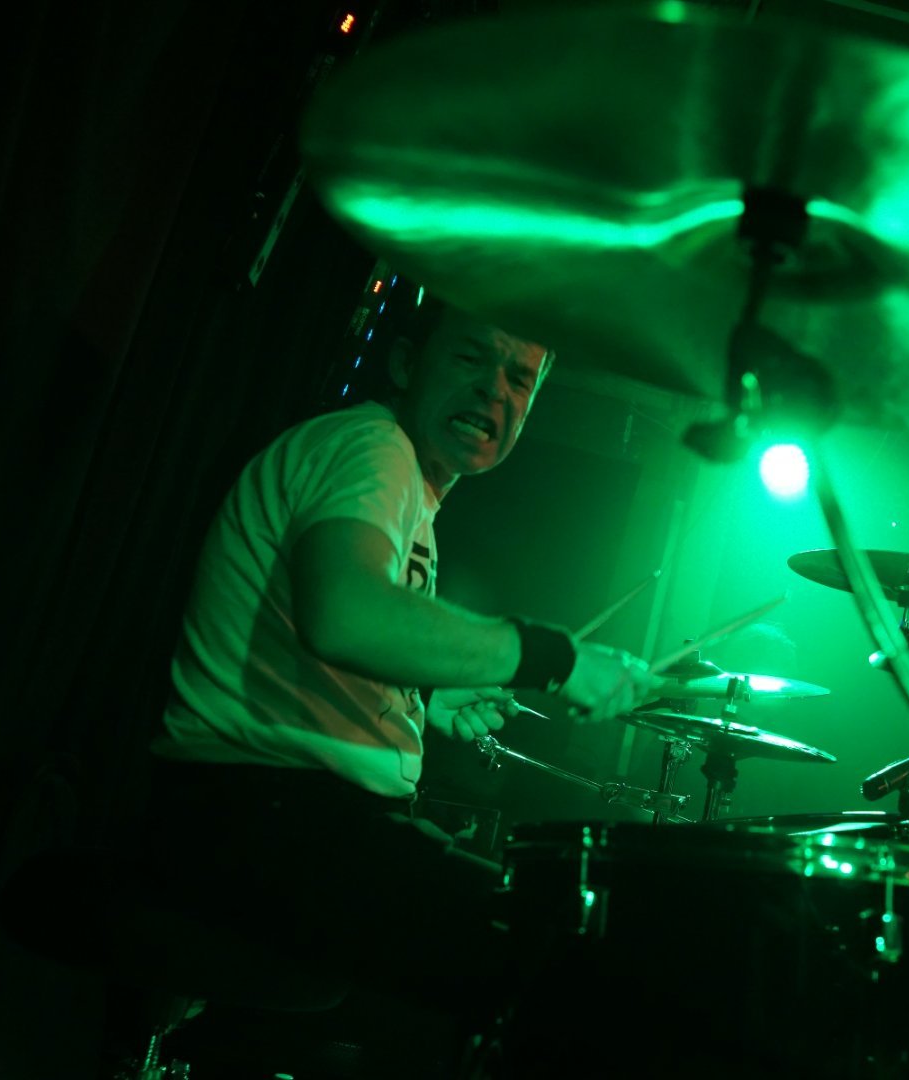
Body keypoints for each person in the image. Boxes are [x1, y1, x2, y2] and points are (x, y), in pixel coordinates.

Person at [143, 287, 663, 1018]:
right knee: (572, 968)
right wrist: (554, 658)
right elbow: (346, 614)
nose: (494, 390)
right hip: (266, 819)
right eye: (471, 357)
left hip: (279, 819)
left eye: (520, 378)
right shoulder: (372, 447)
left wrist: (423, 694)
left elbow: (325, 626)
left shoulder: (408, 492)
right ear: (404, 363)